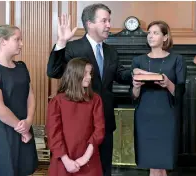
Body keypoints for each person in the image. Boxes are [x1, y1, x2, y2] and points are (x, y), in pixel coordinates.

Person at [47, 4, 131, 175]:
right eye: (104, 21)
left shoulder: (112, 52)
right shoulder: (72, 48)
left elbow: (122, 75)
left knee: (104, 169)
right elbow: (53, 71)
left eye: (109, 20)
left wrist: (138, 74)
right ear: (90, 23)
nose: (109, 25)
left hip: (104, 121)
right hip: (78, 124)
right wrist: (62, 41)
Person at [131, 21, 186, 176]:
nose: (150, 36)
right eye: (149, 33)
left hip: (166, 115)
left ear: (165, 37)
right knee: (152, 164)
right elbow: (134, 96)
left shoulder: (177, 60)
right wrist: (135, 85)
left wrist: (168, 83)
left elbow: (181, 92)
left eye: (155, 33)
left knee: (162, 163)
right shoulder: (138, 61)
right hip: (144, 115)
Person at [0, 25, 38, 176]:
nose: (21, 44)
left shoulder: (22, 67)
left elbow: (30, 96)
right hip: (3, 131)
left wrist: (28, 120)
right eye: (17, 39)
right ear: (3, 41)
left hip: (24, 127)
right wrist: (22, 128)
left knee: (24, 169)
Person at [46, 58, 105, 176]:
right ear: (74, 75)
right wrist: (66, 160)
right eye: (85, 73)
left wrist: (85, 158)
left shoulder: (95, 99)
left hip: (89, 160)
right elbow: (54, 133)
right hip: (62, 159)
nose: (89, 77)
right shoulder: (57, 101)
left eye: (90, 73)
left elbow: (99, 130)